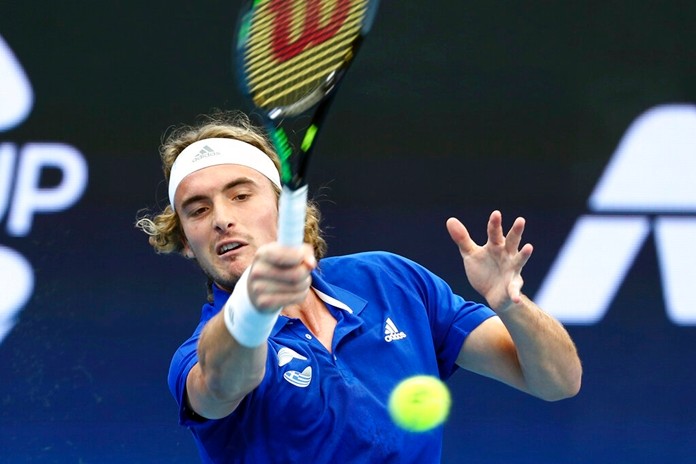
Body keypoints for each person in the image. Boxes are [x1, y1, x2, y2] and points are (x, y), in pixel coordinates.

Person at [136, 110, 582, 463]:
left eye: (240, 194)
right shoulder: (200, 356)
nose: (220, 218)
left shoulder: (391, 281)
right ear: (186, 245)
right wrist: (253, 301)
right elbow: (221, 382)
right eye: (196, 210)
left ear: (286, 207)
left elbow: (559, 382)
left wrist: (512, 305)